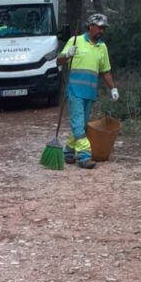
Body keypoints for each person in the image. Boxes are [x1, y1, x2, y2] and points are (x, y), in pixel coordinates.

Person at [56, 13, 119, 169]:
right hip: (74, 91)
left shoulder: (102, 47)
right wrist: (67, 54)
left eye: (104, 28)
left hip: (90, 93)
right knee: (78, 123)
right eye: (99, 27)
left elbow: (105, 71)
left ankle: (68, 152)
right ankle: (84, 156)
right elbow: (59, 61)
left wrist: (113, 88)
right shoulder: (75, 41)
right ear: (91, 26)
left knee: (81, 125)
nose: (102, 31)